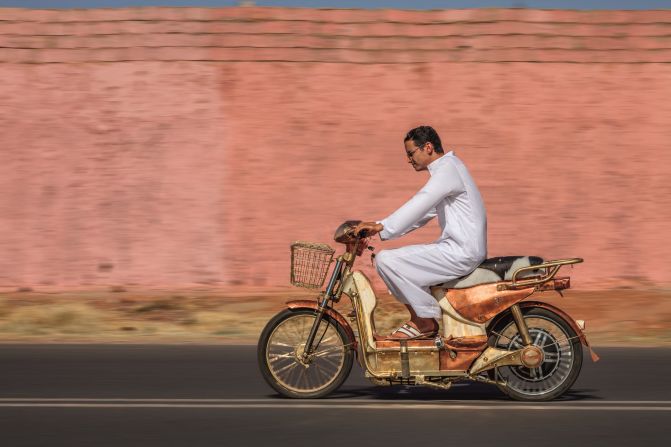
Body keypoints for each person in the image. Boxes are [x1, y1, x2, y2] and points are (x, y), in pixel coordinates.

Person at [353, 126, 487, 340]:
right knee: (393, 261)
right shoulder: (449, 169)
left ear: (428, 147)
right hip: (458, 248)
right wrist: (381, 227)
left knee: (386, 260)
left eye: (411, 153)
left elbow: (420, 201)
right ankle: (424, 320)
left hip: (461, 251)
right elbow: (423, 214)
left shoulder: (447, 170)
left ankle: (424, 322)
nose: (409, 160)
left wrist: (383, 226)